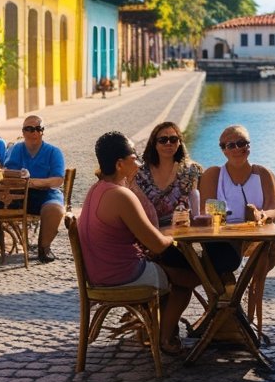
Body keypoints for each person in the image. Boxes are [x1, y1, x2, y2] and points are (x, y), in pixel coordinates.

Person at [78, 131, 198, 355]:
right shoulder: (121, 195)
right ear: (120, 164)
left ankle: (154, 329)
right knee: (187, 279)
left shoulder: (96, 190)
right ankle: (164, 337)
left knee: (173, 269)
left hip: (100, 273)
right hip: (121, 274)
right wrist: (175, 235)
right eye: (134, 156)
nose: (139, 162)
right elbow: (157, 244)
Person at [198, 124, 275, 279]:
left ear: (249, 145)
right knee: (221, 259)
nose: (237, 149)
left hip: (256, 236)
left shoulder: (263, 173)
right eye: (231, 145)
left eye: (242, 143)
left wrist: (262, 215)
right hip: (222, 239)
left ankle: (245, 288)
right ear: (223, 150)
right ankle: (228, 293)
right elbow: (206, 212)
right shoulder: (213, 174)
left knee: (271, 249)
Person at [4, 114, 65, 263]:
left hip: (47, 193)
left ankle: (44, 248)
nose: (34, 133)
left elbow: (58, 180)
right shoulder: (16, 149)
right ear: (23, 132)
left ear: (43, 131)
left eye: (38, 129)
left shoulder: (53, 152)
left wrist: (33, 182)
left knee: (54, 209)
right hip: (20, 194)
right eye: (30, 129)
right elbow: (5, 171)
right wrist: (18, 177)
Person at [131, 121, 201, 226]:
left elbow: (196, 208)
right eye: (163, 140)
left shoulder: (190, 171)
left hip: (181, 233)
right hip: (146, 231)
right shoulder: (140, 172)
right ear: (154, 144)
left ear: (179, 143)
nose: (168, 143)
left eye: (173, 139)